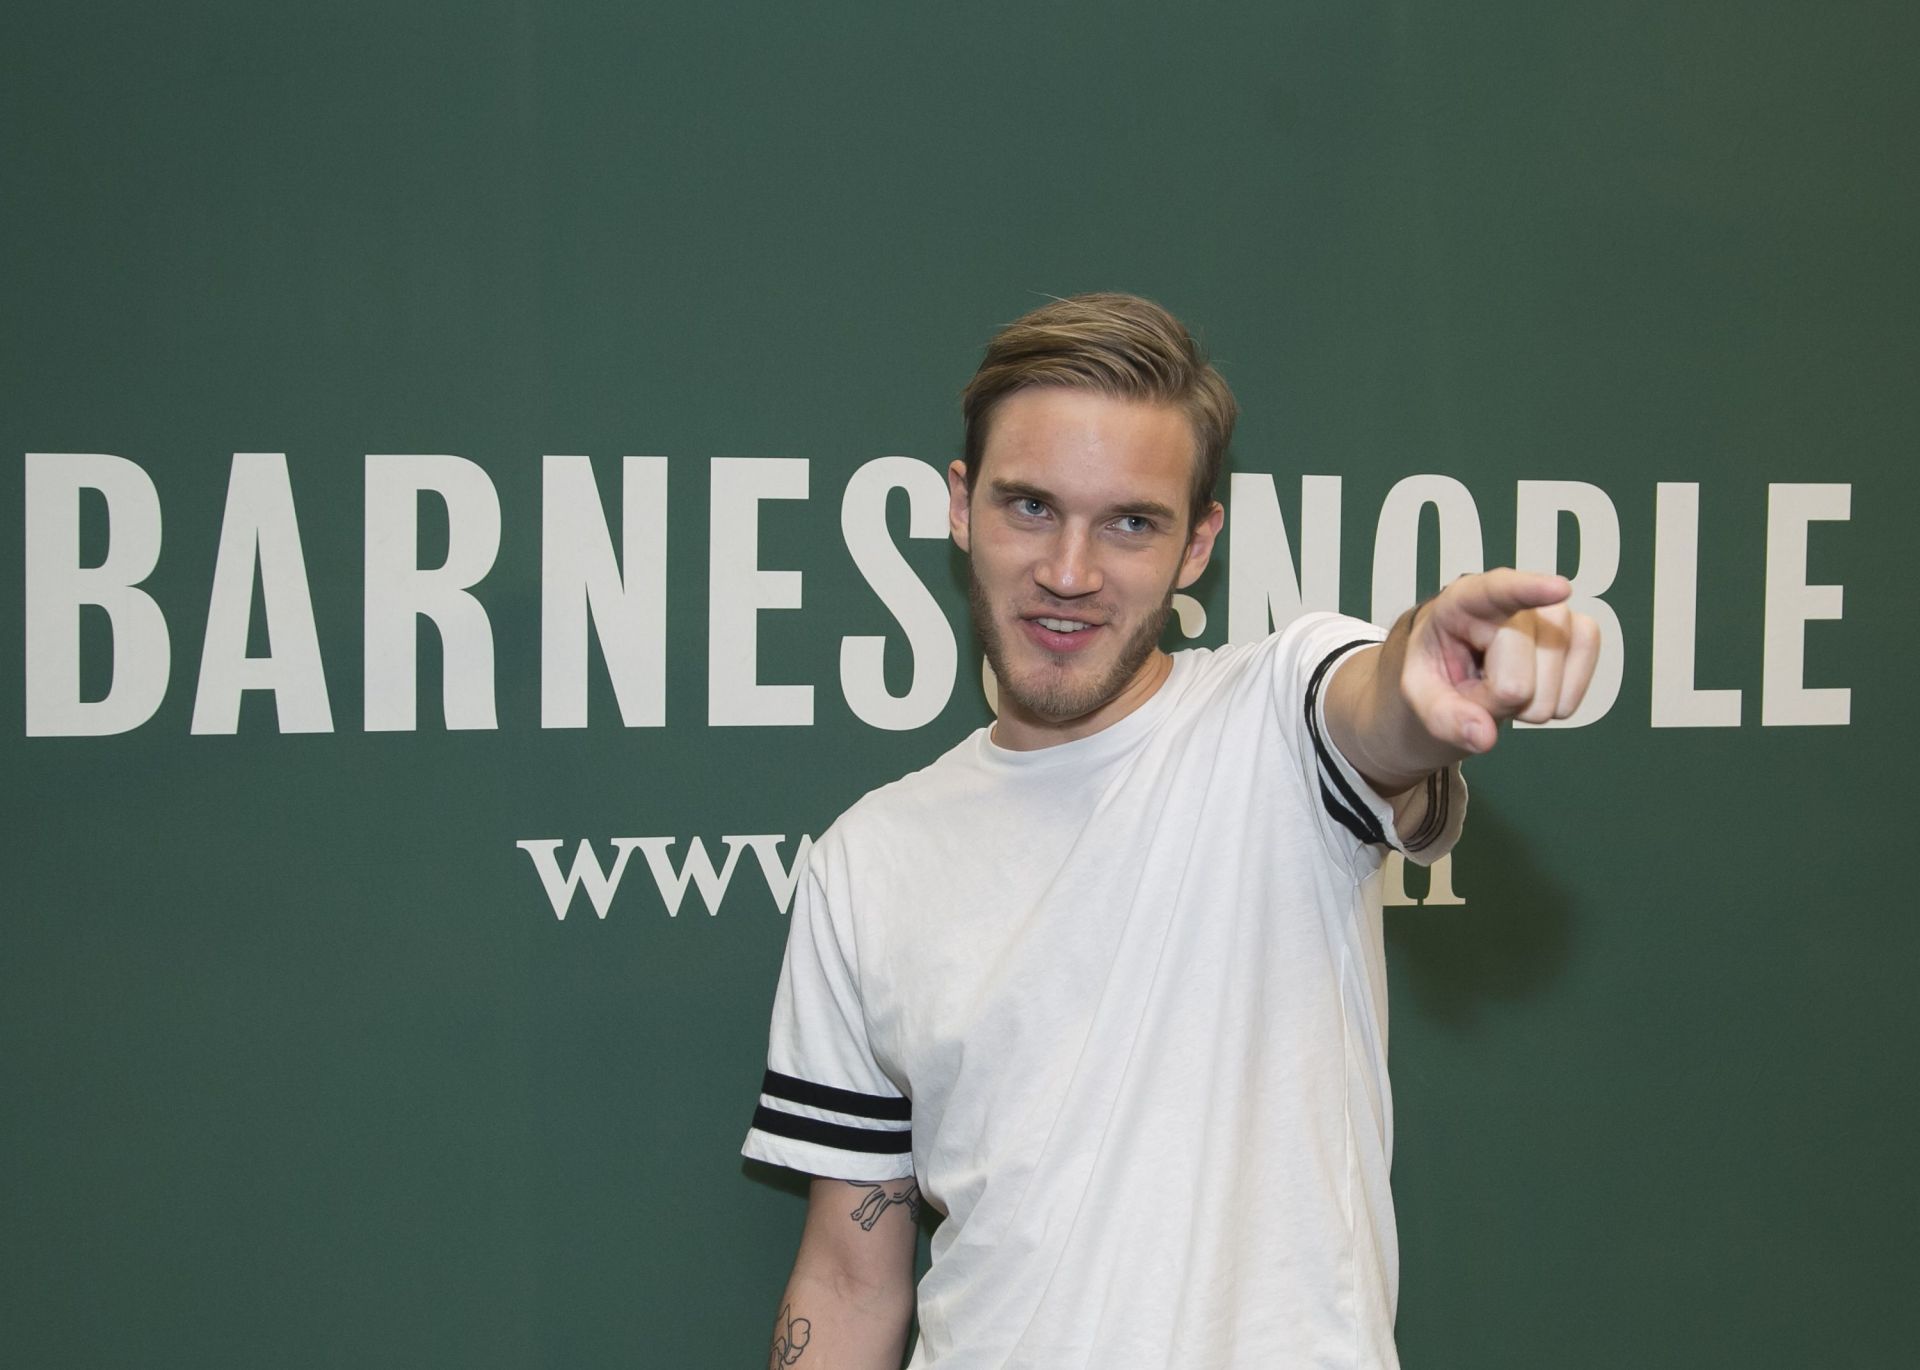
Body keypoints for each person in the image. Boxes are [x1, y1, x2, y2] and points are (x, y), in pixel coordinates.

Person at [742, 293, 1600, 1369]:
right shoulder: (865, 858)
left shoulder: (1275, 722)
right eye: (1030, 506)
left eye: (1131, 522)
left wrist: (1427, 662)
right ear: (961, 506)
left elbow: (1372, 703)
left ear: (1199, 542)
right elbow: (847, 1270)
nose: (1069, 569)